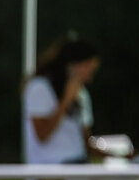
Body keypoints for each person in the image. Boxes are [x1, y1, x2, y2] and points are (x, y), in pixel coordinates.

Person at [23, 36, 99, 165]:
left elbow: (87, 144)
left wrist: (121, 155)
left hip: (78, 166)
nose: (90, 77)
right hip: (51, 172)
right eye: (88, 69)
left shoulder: (81, 93)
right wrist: (65, 101)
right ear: (73, 65)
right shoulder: (40, 87)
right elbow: (42, 135)